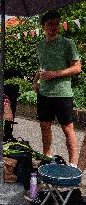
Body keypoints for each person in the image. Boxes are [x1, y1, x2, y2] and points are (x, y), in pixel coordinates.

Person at [33, 11, 81, 166]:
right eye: (49, 24)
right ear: (43, 26)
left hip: (62, 93)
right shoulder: (39, 45)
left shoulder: (68, 43)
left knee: (67, 129)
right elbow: (41, 66)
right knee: (44, 126)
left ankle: (73, 164)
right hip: (44, 93)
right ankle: (47, 157)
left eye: (55, 23)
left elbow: (77, 68)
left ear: (59, 24)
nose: (53, 27)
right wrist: (35, 80)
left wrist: (55, 74)